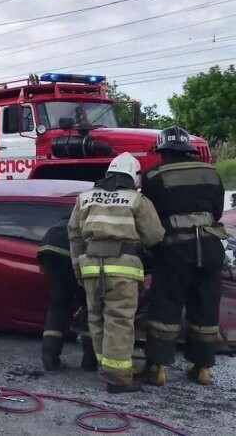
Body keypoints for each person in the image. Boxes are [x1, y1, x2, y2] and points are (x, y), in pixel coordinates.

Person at [68, 152, 165, 394]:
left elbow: (74, 235)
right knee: (119, 321)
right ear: (134, 176)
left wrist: (78, 268)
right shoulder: (137, 200)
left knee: (96, 319)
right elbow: (155, 236)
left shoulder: (85, 198)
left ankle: (107, 368)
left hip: (90, 266)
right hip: (122, 269)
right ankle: (119, 379)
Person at [138, 126, 227, 386]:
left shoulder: (154, 174)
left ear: (162, 150)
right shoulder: (211, 172)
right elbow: (218, 211)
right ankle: (202, 369)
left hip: (174, 251)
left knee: (166, 306)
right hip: (210, 248)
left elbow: (150, 218)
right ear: (188, 150)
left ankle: (158, 368)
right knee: (206, 306)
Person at [38, 216, 96, 372]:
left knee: (59, 304)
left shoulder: (79, 207)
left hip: (48, 247)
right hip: (71, 248)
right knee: (89, 306)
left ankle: (49, 358)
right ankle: (90, 361)